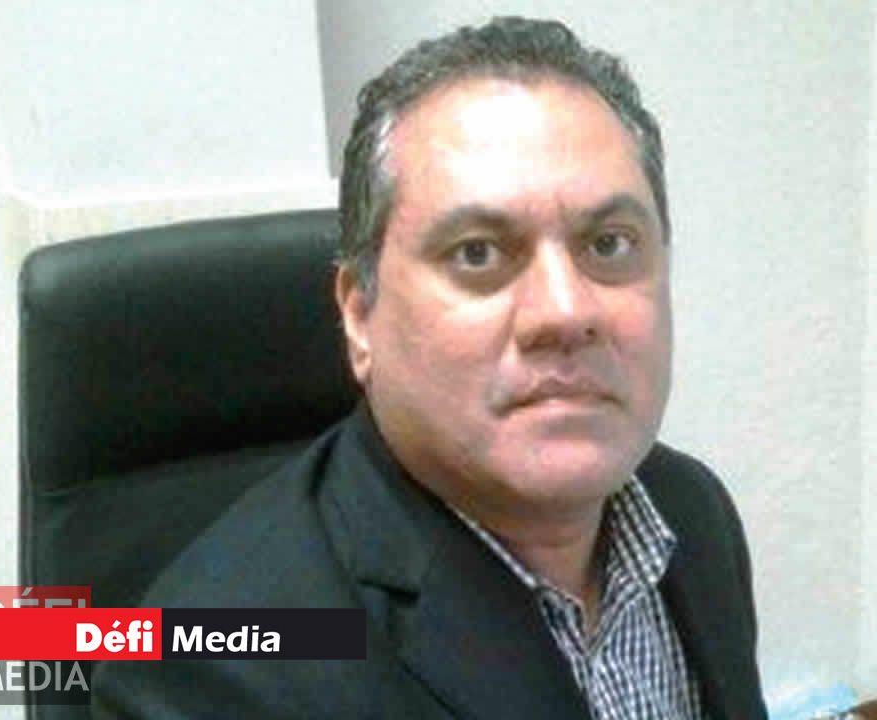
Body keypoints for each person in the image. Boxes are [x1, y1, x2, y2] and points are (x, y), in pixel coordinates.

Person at [92, 16, 766, 719]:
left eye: (609, 244)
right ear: (360, 314)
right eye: (478, 253)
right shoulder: (210, 670)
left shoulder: (691, 512)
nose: (565, 312)